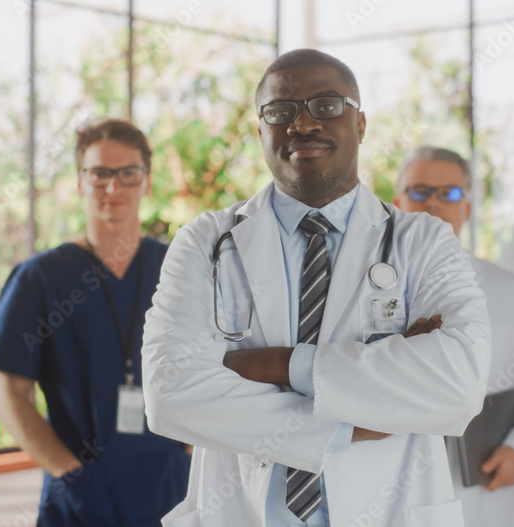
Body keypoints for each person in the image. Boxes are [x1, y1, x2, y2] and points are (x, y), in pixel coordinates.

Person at [141, 49, 492, 527]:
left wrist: (276, 364)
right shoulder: (205, 241)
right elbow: (171, 395)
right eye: (280, 112)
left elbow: (458, 385)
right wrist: (351, 426)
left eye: (326, 105)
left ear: (361, 124)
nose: (302, 125)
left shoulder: (424, 241)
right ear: (260, 131)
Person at [0, 118, 190, 527]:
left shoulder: (178, 268)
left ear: (146, 182)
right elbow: (9, 393)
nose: (114, 188)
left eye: (128, 174)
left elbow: (215, 365)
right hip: (81, 497)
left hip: (172, 487)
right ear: (79, 182)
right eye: (99, 174)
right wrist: (68, 474)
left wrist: (192, 454)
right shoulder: (40, 277)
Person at [393, 146, 514, 526]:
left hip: (489, 489)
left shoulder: (512, 290)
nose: (434, 204)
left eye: (450, 193)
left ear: (468, 208)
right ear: (396, 203)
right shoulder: (367, 291)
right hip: (399, 483)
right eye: (419, 191)